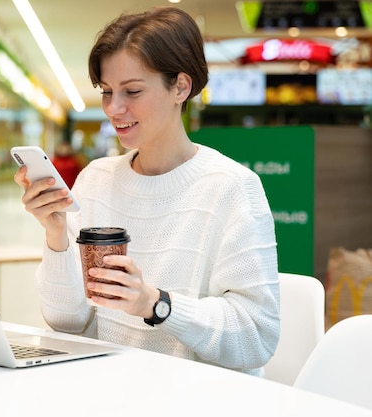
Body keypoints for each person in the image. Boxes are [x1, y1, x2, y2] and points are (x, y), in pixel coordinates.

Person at [14, 6, 279, 376]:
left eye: (132, 91)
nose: (114, 108)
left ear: (181, 87)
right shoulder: (96, 180)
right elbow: (67, 323)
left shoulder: (232, 188)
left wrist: (155, 303)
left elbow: (256, 337)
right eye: (107, 91)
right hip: (114, 392)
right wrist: (56, 234)